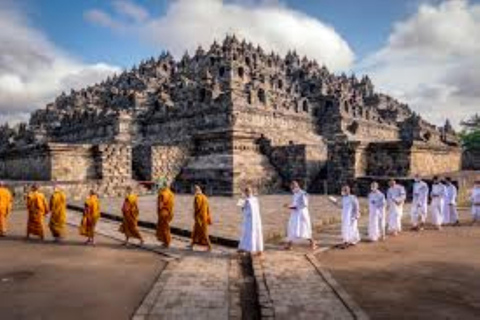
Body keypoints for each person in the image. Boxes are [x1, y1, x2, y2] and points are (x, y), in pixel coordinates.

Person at [284, 181, 316, 250]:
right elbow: (295, 203)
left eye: (293, 188)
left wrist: (291, 207)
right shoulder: (295, 194)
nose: (292, 190)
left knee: (304, 228)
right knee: (292, 227)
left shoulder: (303, 194)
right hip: (295, 214)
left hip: (302, 214)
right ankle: (289, 244)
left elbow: (304, 205)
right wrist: (290, 206)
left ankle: (312, 243)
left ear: (296, 186)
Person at [238, 186, 264, 255]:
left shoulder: (255, 199)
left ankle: (258, 249)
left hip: (255, 220)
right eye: (246, 191)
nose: (248, 193)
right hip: (248, 220)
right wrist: (243, 202)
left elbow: (256, 210)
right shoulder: (244, 200)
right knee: (247, 233)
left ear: (251, 191)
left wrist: (245, 202)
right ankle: (246, 248)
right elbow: (242, 210)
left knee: (255, 233)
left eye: (249, 191)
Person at [188, 185, 212, 251]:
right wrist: (208, 216)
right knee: (195, 231)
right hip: (204, 216)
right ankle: (192, 244)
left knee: (203, 232)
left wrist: (194, 214)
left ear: (195, 190)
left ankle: (209, 246)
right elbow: (208, 208)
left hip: (199, 217)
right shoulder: (204, 197)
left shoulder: (197, 197)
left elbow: (197, 207)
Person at [157, 183, 175, 248]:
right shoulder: (171, 194)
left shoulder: (163, 194)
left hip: (163, 213)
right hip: (170, 212)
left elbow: (160, 205)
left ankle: (167, 242)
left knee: (164, 228)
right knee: (166, 227)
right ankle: (166, 241)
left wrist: (159, 209)